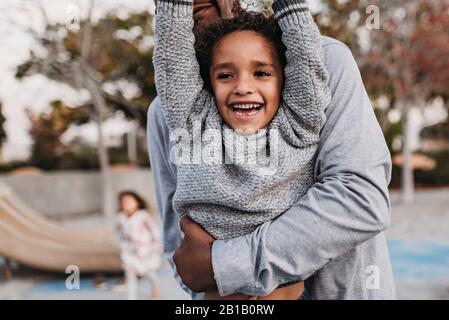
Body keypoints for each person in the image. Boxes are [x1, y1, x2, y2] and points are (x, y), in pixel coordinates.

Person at [148, 0, 396, 300]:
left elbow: (359, 199)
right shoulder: (168, 113)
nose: (243, 86)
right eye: (226, 75)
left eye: (261, 73)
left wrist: (224, 265)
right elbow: (183, 252)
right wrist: (222, 290)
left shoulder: (322, 65)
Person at [116, 191, 162, 300]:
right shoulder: (121, 218)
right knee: (130, 276)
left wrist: (155, 245)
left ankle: (156, 286)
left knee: (148, 274)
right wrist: (122, 245)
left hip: (145, 251)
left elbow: (154, 230)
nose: (127, 204)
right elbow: (119, 233)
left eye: (129, 201)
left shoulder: (143, 216)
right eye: (124, 202)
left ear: (137, 202)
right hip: (130, 252)